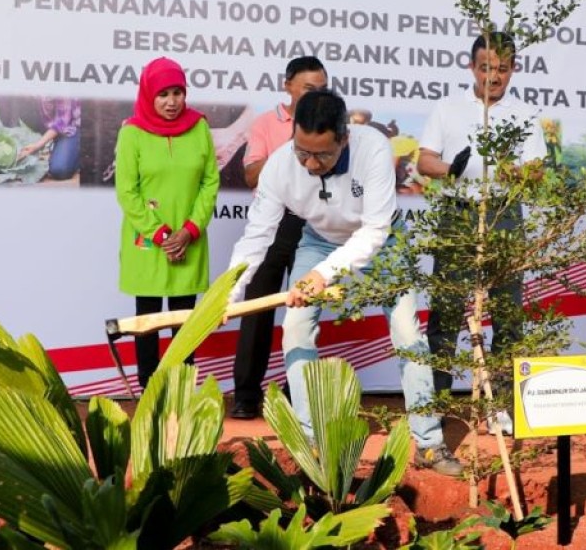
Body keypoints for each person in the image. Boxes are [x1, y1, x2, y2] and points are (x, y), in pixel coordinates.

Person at [226, 89, 463, 476]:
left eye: (322, 154)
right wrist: (231, 293)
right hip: (318, 241)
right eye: (303, 151)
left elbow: (374, 230)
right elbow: (257, 236)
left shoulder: (372, 148)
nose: (310, 163)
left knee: (407, 333)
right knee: (295, 329)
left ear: (344, 138)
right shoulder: (280, 167)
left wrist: (322, 275)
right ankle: (312, 441)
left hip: (382, 242)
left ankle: (429, 443)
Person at [416, 31, 546, 434]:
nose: (494, 76)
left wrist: (512, 171)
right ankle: (435, 406)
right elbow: (424, 160)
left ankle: (501, 406)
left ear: (514, 70)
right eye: (486, 67)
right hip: (458, 217)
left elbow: (537, 171)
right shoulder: (448, 108)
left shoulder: (524, 113)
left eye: (502, 69)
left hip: (506, 215)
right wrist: (451, 169)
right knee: (447, 313)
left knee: (507, 314)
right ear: (472, 67)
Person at [229, 56, 328, 419]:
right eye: (309, 89)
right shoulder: (265, 124)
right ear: (288, 85)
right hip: (273, 223)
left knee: (302, 313)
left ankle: (292, 396)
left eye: (322, 89)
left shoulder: (330, 125)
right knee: (257, 308)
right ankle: (245, 395)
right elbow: (251, 175)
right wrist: (293, 143)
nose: (317, 95)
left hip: (313, 225)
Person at [115, 57, 220, 391]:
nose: (172, 102)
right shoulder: (131, 132)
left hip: (190, 240)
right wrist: (161, 235)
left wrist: (188, 231)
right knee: (146, 322)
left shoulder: (199, 127)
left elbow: (210, 182)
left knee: (185, 323)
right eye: (163, 94)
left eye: (177, 92)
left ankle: (181, 394)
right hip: (148, 243)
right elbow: (127, 192)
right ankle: (148, 392)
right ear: (148, 95)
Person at [0, 95, 82, 180]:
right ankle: (14, 142)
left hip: (70, 127)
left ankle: (80, 149)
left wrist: (37, 145)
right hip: (45, 117)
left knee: (60, 171)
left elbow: (62, 122)